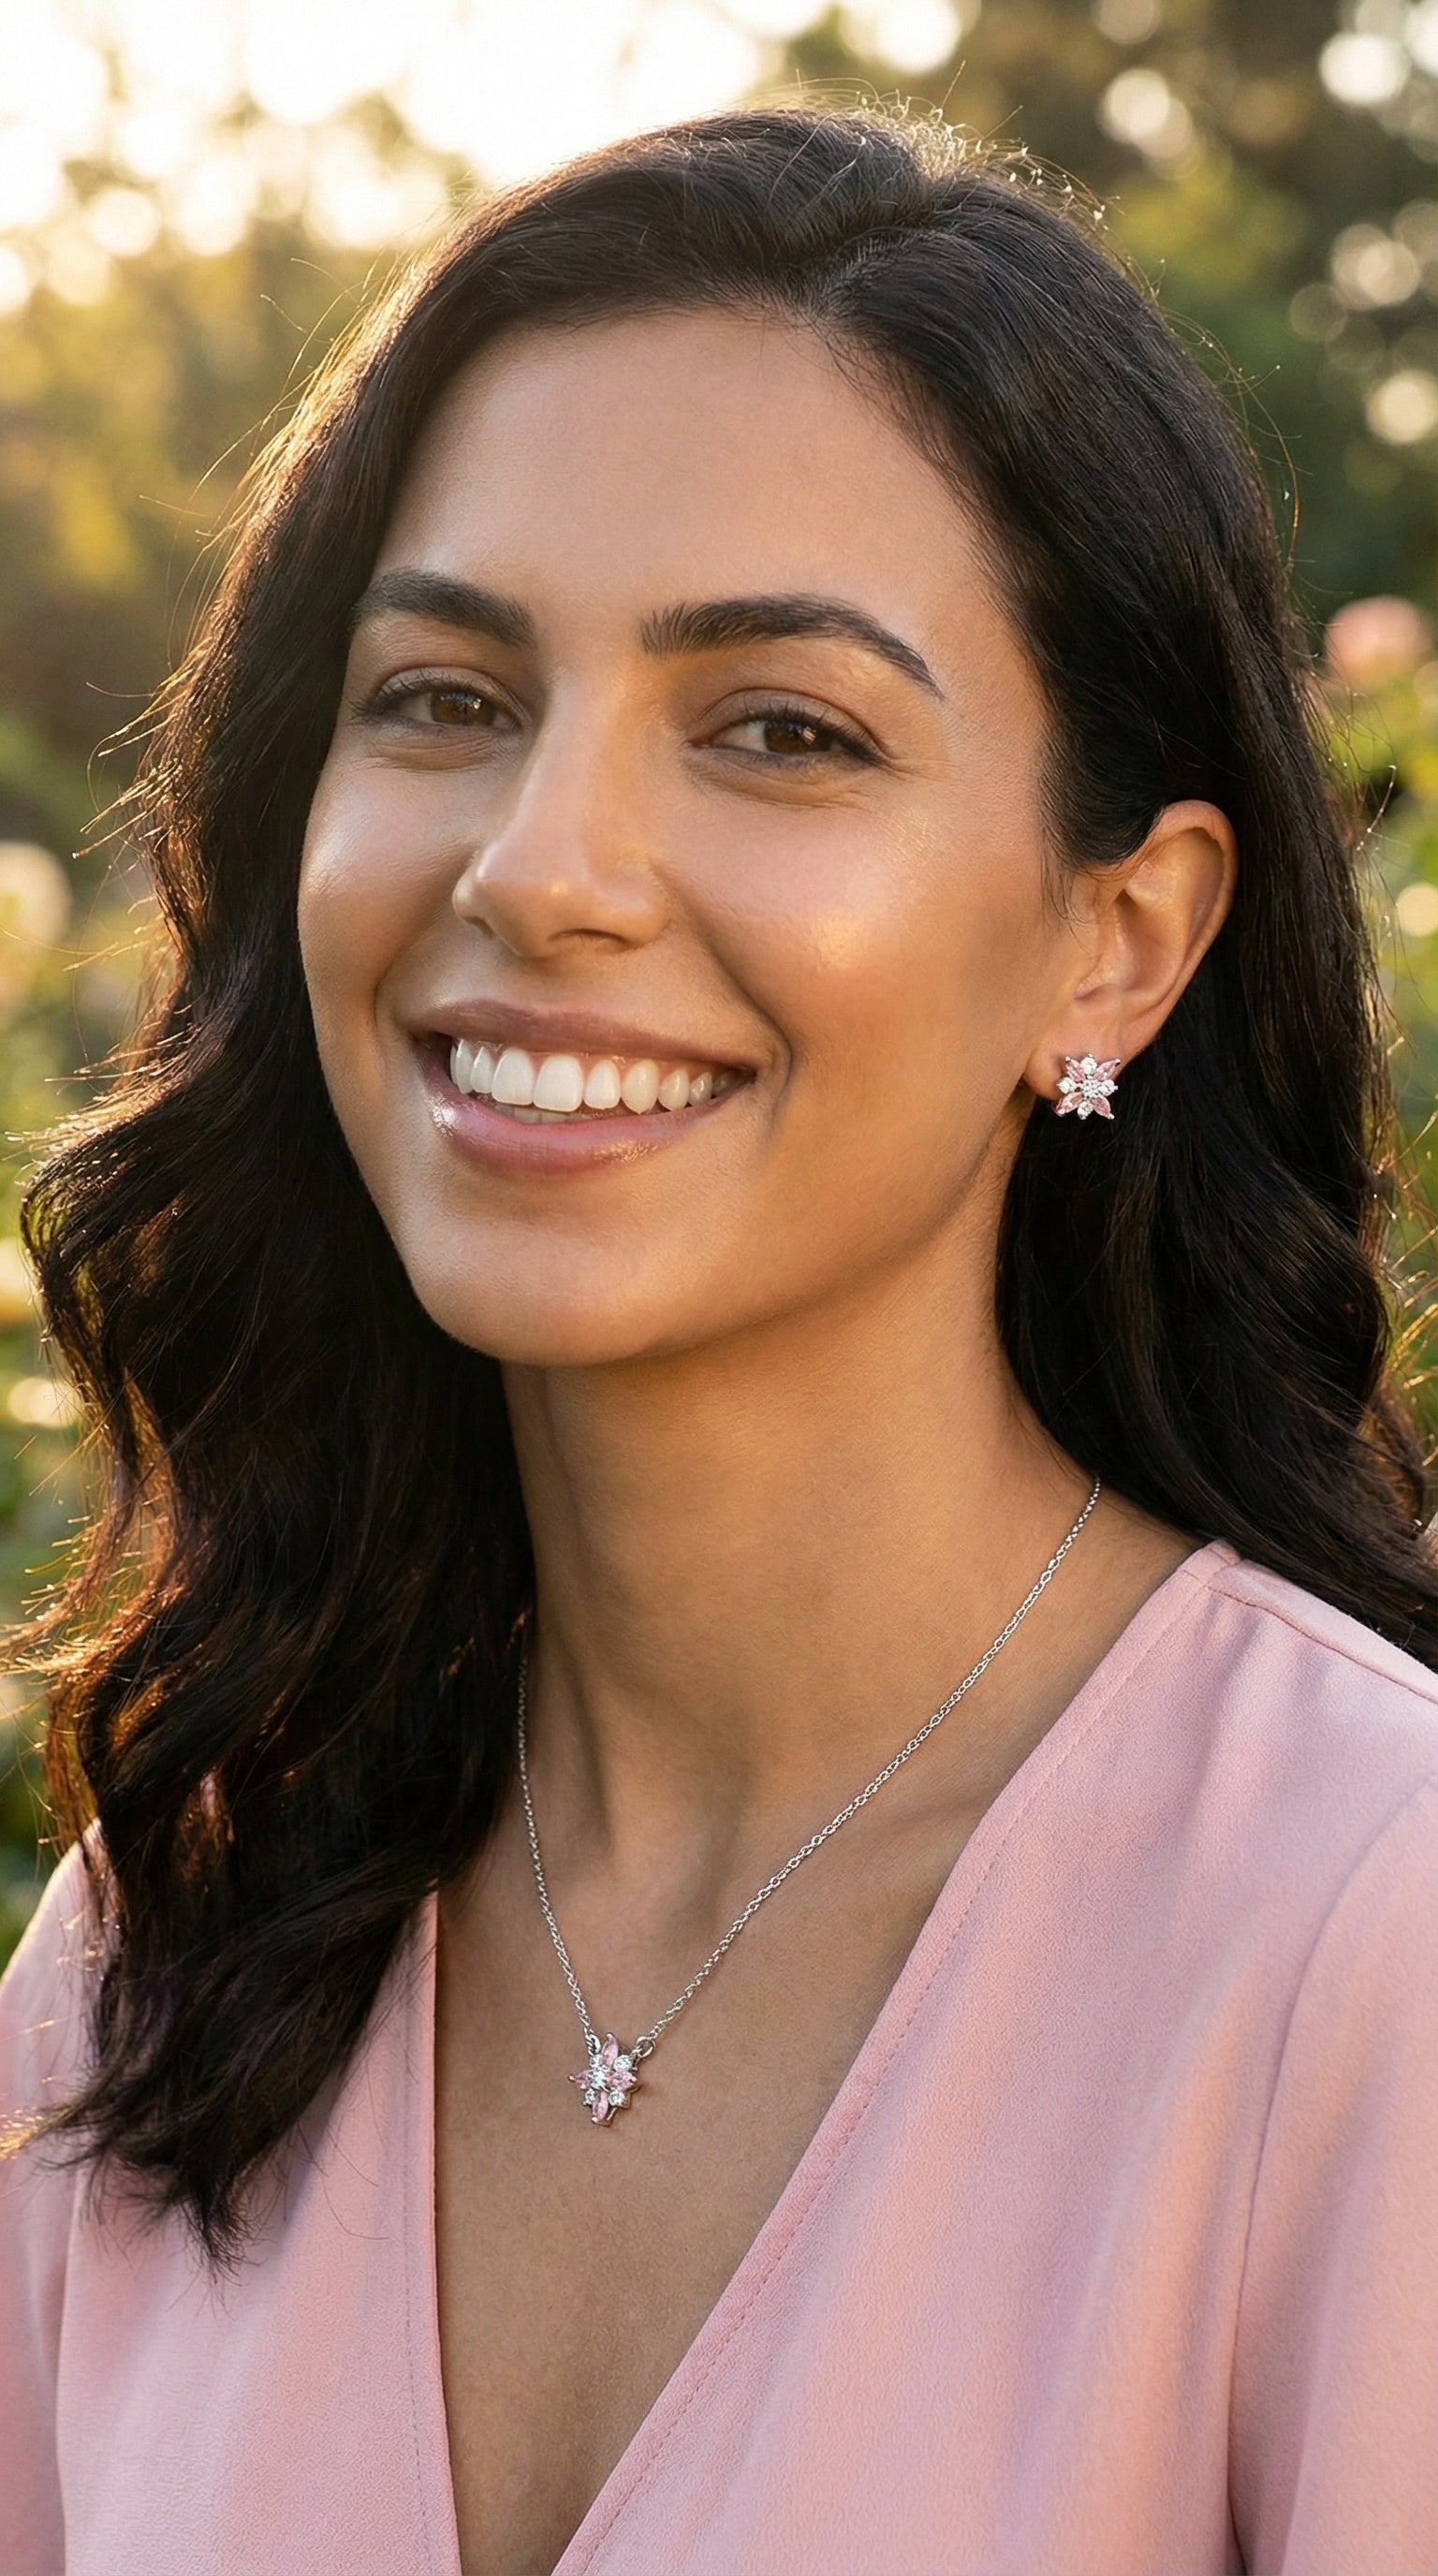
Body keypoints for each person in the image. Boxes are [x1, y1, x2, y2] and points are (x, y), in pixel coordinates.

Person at [2, 104, 1436, 2576]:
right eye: (443, 694)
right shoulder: (179, 1934)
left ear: (1121, 935)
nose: (541, 867)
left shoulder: (1369, 1944)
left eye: (782, 728)